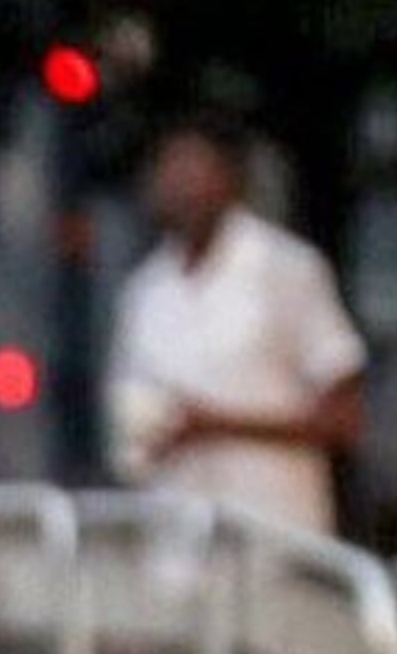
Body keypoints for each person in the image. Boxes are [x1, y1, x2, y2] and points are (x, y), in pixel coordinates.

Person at [105, 110, 370, 536]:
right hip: (176, 550)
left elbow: (344, 419)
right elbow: (129, 421)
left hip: (275, 542)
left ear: (231, 179)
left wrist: (215, 425)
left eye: (195, 167)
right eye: (170, 168)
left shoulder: (285, 269)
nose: (180, 185)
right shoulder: (145, 291)